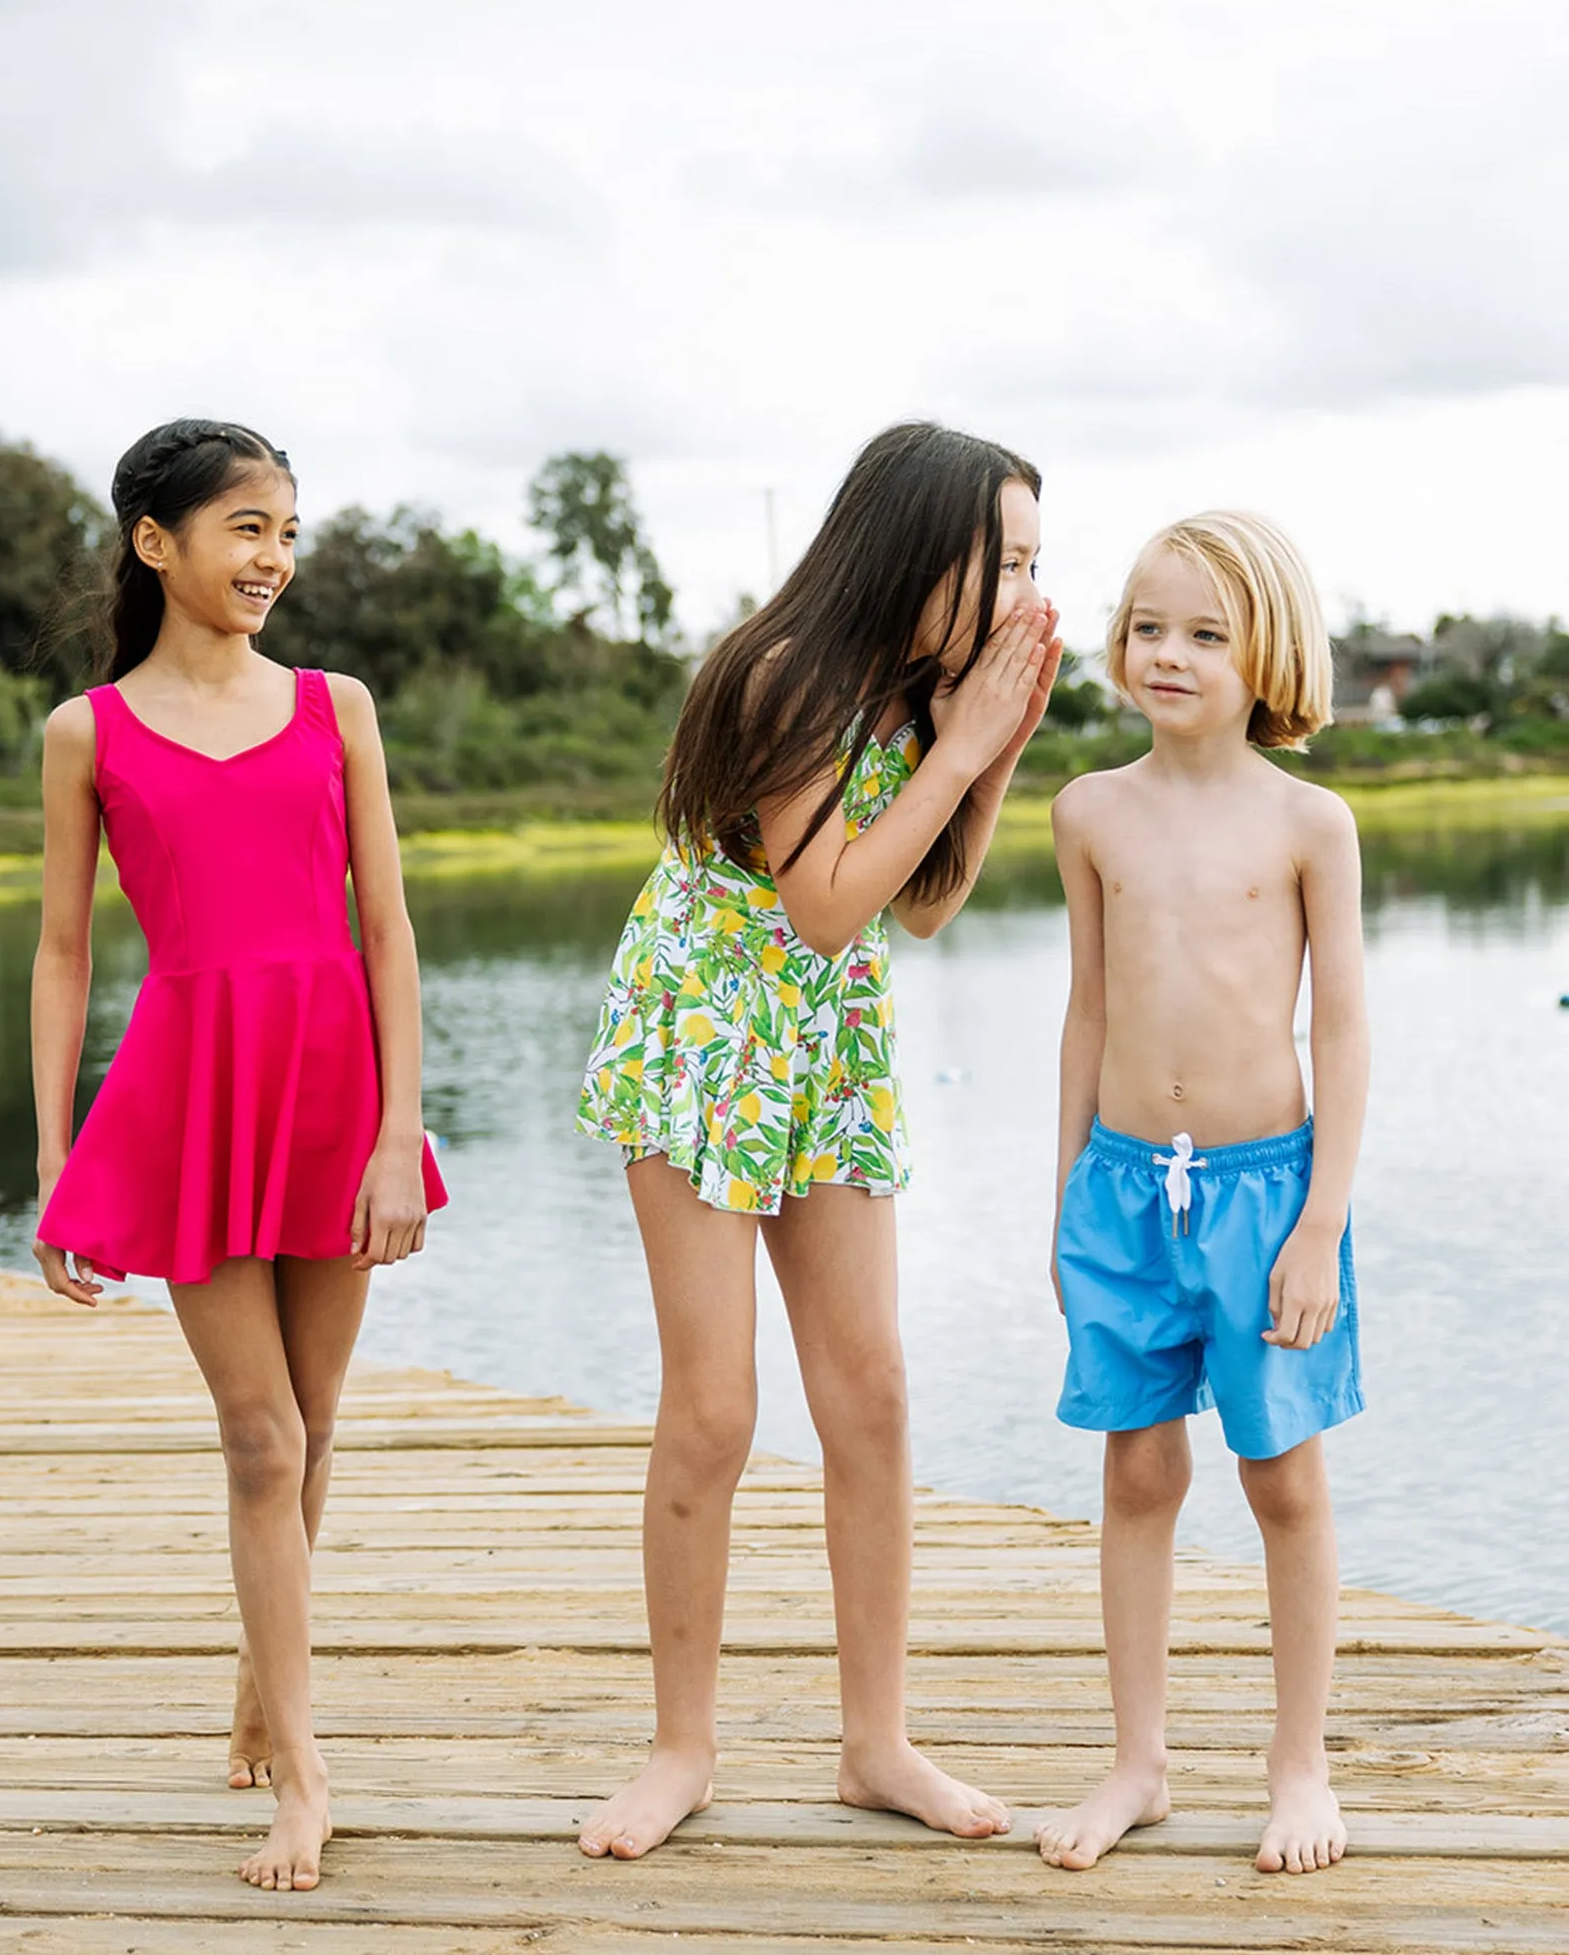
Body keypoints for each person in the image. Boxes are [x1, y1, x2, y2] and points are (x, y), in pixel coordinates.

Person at [575, 420, 1063, 1859]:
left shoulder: (924, 695)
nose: (1029, 588)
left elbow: (921, 904)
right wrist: (963, 742)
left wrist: (985, 761)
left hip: (826, 1039)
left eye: (1039, 558)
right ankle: (680, 1748)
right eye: (1007, 559)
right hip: (704, 1028)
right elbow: (824, 901)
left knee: (873, 1390)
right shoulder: (784, 673)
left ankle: (874, 1742)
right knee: (716, 1406)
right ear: (917, 545)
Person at [31, 418, 447, 1893]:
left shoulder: (338, 705)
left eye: (286, 530)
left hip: (337, 1090)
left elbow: (388, 929)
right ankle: (308, 1775)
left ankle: (263, 1687)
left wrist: (398, 1132)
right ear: (158, 542)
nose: (273, 557)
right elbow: (65, 949)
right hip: (192, 1093)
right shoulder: (87, 730)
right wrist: (53, 1158)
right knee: (260, 1437)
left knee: (314, 1428)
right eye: (246, 528)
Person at [1036, 510, 1366, 1879]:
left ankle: (1299, 1762)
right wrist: (1062, 1200)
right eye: (1146, 624)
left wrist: (1317, 1228)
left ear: (1265, 653)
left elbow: (1339, 1030)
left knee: (1279, 1477)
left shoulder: (1307, 820)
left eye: (1202, 632)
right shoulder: (1086, 810)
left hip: (1260, 1195)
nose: (1164, 653)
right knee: (1135, 1466)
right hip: (1120, 1191)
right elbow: (1085, 1010)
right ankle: (1139, 1760)